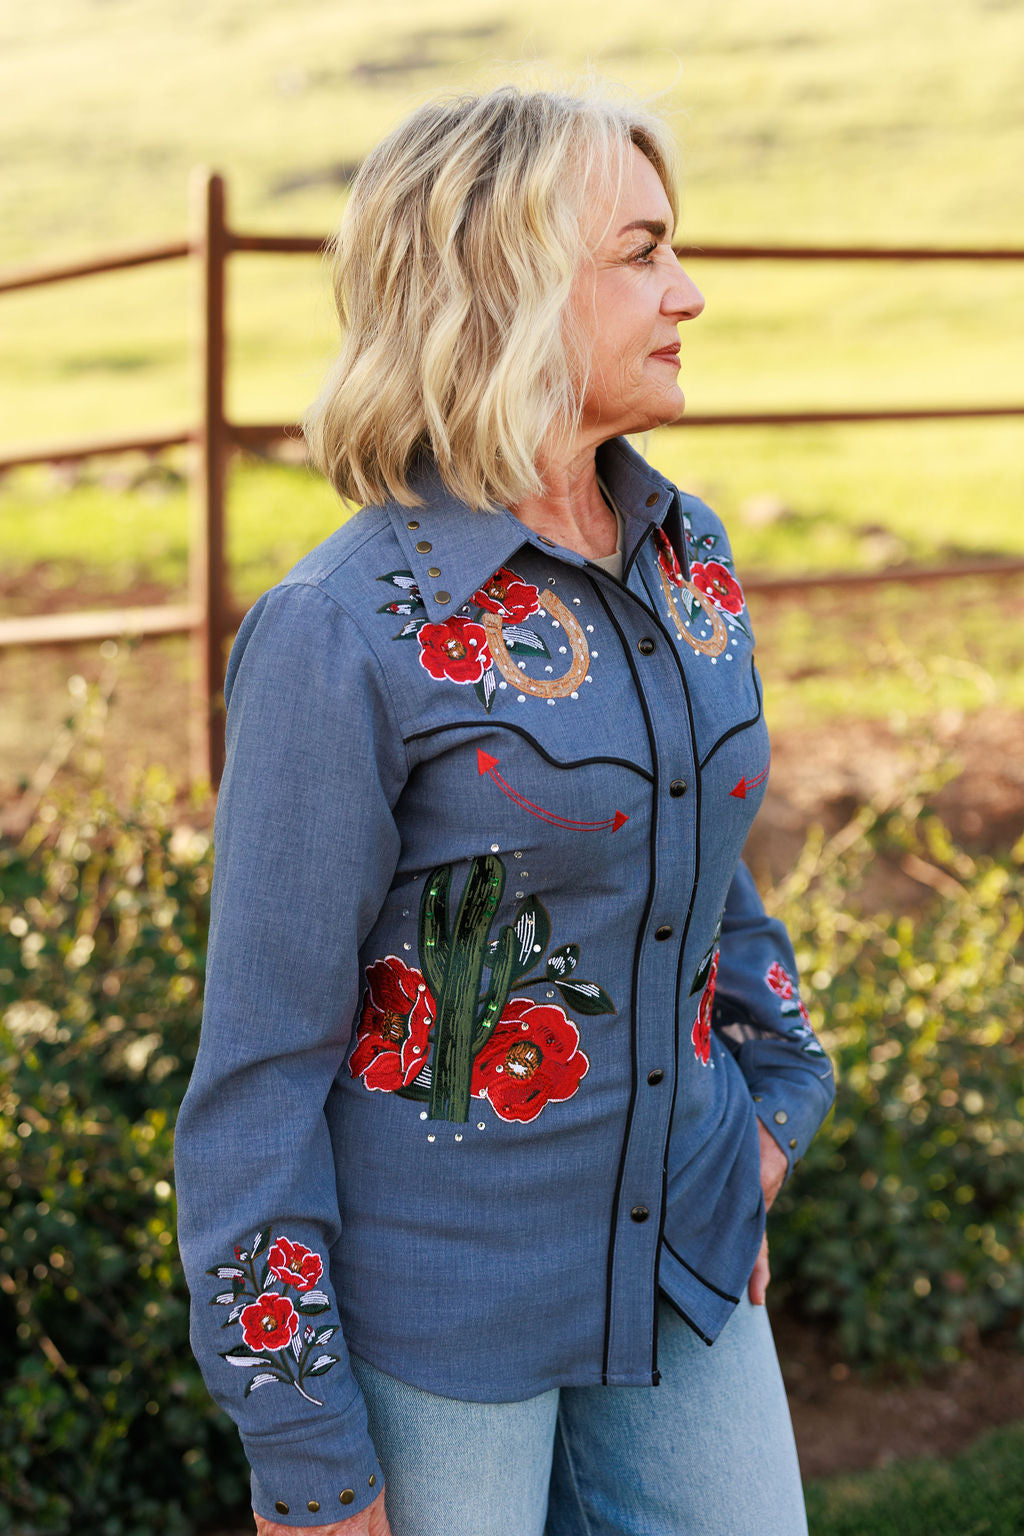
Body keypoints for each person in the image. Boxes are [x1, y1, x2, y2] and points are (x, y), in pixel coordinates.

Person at [175, 84, 835, 1536]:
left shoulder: (690, 556)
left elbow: (707, 871)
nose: (689, 292)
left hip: (685, 1279)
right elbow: (260, 1073)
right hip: (438, 1324)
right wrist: (304, 1450)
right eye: (642, 253)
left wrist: (773, 1109)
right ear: (507, 287)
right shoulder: (341, 632)